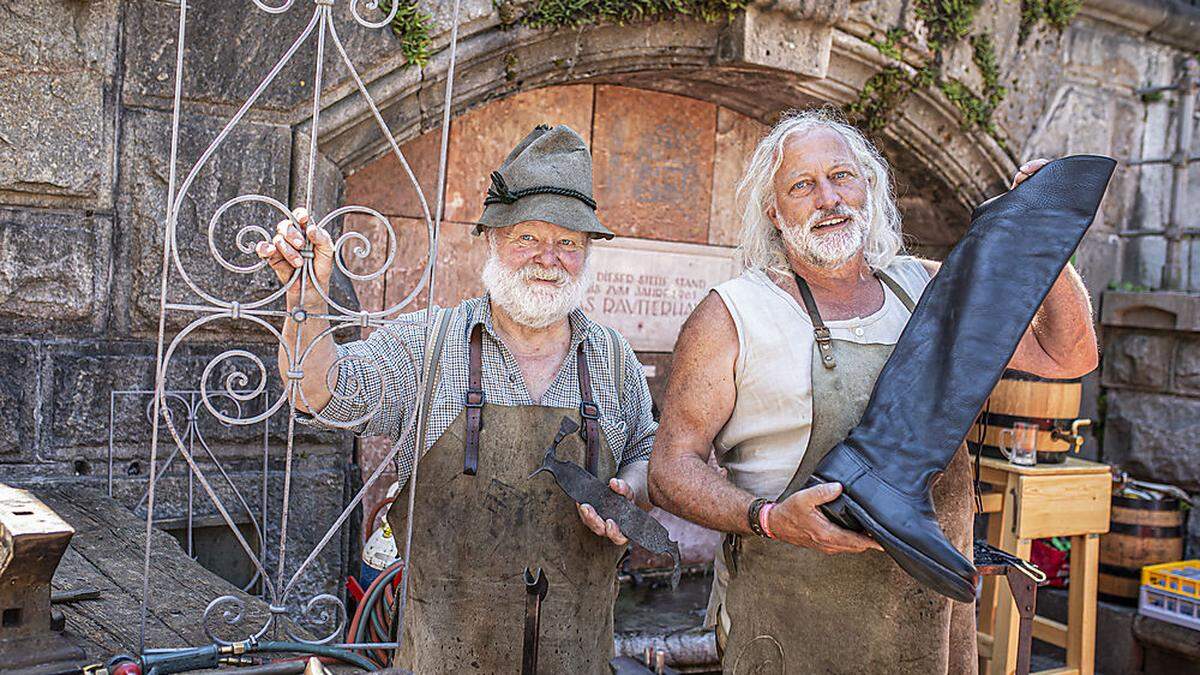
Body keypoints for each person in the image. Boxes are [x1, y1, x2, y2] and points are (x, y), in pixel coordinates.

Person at [647, 109, 1099, 674]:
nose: (829, 198)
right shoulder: (734, 315)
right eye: (802, 185)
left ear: (869, 187)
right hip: (794, 627)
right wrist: (767, 517)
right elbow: (669, 469)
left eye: (842, 177)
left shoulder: (927, 288)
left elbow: (1068, 356)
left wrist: (1046, 233)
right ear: (774, 211)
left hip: (931, 625)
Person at [256, 124, 657, 674]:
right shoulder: (430, 343)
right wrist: (306, 298)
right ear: (491, 240)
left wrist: (629, 491)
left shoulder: (611, 357)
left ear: (586, 253)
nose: (548, 258)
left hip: (578, 656)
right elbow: (324, 393)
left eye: (567, 242)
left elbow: (646, 450)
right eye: (527, 239)